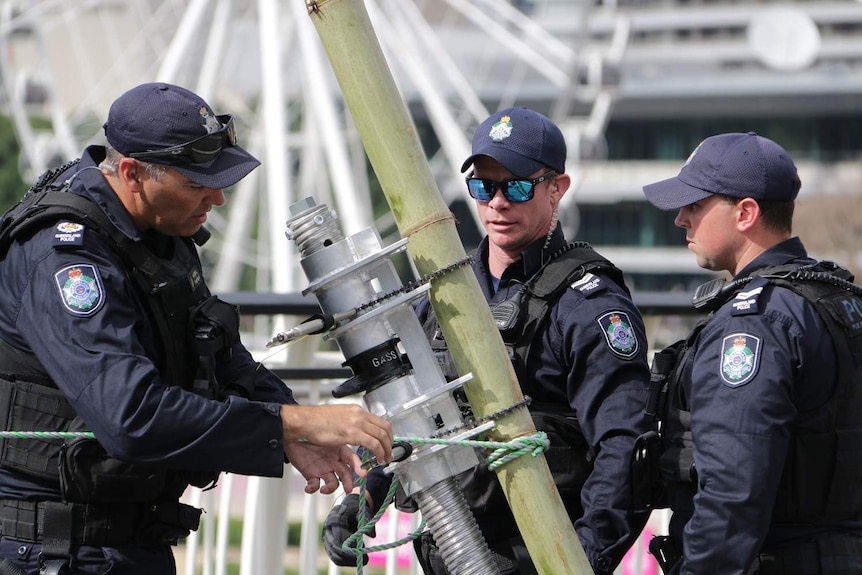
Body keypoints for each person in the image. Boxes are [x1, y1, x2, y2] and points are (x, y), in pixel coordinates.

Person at [0, 82, 393, 575]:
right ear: (131, 173)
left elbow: (215, 346)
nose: (219, 198)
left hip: (126, 540)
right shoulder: (67, 260)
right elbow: (132, 416)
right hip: (51, 551)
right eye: (196, 183)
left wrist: (292, 426)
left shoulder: (156, 230)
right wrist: (296, 423)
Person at [323, 107, 651, 574]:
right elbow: (411, 417)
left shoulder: (588, 304)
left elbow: (624, 449)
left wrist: (578, 563)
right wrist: (366, 496)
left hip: (536, 556)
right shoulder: (445, 295)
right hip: (449, 550)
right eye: (483, 186)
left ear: (557, 188)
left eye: (516, 186)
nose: (498, 202)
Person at [641, 132, 862, 574]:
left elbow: (731, 494)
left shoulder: (754, 323)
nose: (681, 219)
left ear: (746, 213)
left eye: (696, 205)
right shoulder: (839, 299)